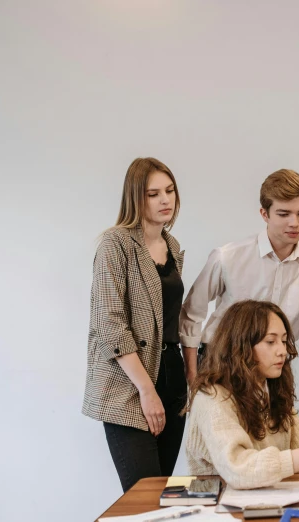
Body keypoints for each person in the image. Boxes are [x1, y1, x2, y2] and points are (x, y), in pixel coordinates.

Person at [180, 169, 299, 431]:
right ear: (264, 214)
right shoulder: (228, 256)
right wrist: (193, 376)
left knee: (275, 448)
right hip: (222, 363)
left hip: (276, 366)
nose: (294, 224)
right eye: (283, 214)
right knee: (225, 453)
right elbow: (191, 314)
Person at [82, 157, 188, 492]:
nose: (165, 200)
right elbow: (110, 324)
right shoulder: (115, 243)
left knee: (162, 495)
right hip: (130, 384)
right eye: (153, 193)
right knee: (142, 499)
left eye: (169, 191)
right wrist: (146, 390)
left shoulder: (172, 247)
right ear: (135, 198)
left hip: (172, 377)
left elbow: (170, 320)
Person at [184, 300, 299, 489]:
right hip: (222, 510)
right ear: (240, 346)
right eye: (271, 342)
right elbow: (240, 470)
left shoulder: (270, 391)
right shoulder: (211, 397)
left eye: (284, 341)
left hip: (267, 503)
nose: (282, 351)